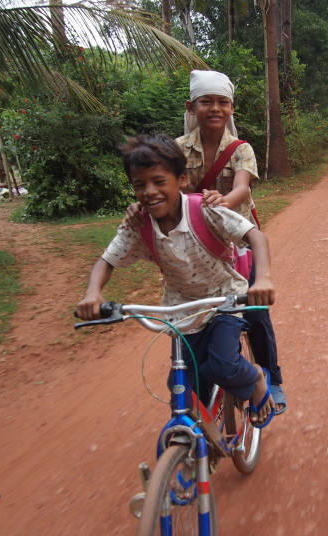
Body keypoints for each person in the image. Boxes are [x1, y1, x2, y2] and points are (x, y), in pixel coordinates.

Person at [77, 134, 276, 426]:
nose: (149, 192)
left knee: (223, 365)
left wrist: (264, 279)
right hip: (181, 308)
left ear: (182, 179)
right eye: (139, 185)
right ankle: (196, 446)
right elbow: (107, 260)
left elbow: (255, 236)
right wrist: (92, 293)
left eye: (159, 181)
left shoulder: (206, 209)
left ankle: (257, 380)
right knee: (181, 386)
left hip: (224, 298)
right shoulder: (138, 224)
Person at [124, 70, 287, 415]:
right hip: (194, 240)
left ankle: (270, 378)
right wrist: (143, 205)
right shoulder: (177, 149)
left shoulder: (240, 149)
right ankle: (205, 392)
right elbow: (160, 186)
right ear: (192, 106)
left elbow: (243, 187)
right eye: (206, 102)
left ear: (231, 108)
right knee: (193, 313)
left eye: (222, 102)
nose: (215, 108)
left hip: (234, 239)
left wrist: (219, 202)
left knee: (255, 310)